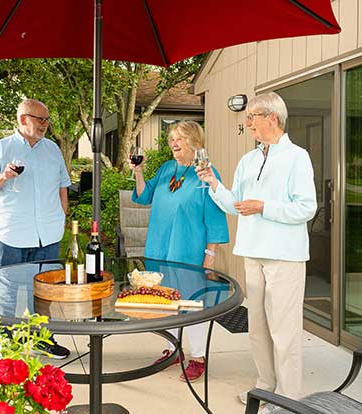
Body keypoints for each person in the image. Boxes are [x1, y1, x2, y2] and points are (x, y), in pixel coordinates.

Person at [197, 92, 317, 413]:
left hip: (284, 256)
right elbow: (236, 205)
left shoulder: (297, 157)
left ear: (272, 119)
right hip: (252, 252)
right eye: (247, 116)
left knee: (284, 330)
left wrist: (264, 206)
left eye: (252, 116)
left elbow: (306, 207)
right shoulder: (248, 160)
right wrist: (212, 184)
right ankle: (266, 386)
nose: (247, 122)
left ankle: (289, 397)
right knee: (259, 327)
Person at [131, 120, 229, 382]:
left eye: (180, 138)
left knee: (192, 304)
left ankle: (197, 356)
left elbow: (215, 218)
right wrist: (138, 172)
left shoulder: (206, 173)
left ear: (195, 142)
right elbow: (143, 196)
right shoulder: (166, 169)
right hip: (160, 248)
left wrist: (210, 255)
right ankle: (175, 350)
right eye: (172, 138)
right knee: (167, 302)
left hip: (189, 250)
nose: (173, 143)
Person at [0, 98, 72, 359]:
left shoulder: (53, 149)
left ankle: (42, 337)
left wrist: (62, 216)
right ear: (23, 119)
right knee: (7, 290)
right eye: (40, 119)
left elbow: (63, 184)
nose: (45, 124)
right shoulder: (1, 148)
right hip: (12, 233)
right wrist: (3, 177)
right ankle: (5, 341)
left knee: (45, 290)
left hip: (49, 233)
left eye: (47, 120)